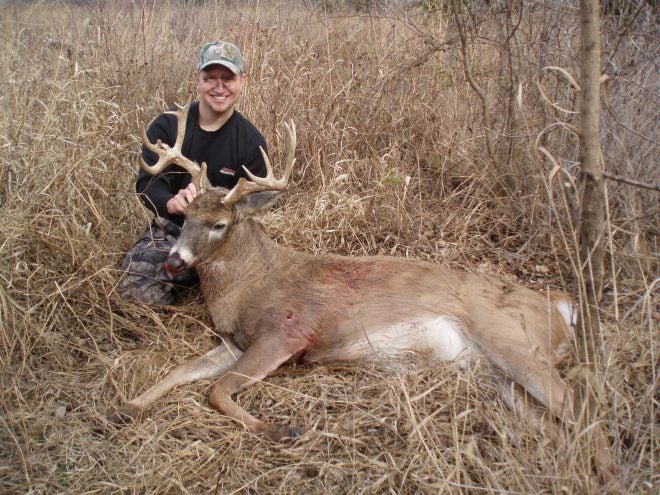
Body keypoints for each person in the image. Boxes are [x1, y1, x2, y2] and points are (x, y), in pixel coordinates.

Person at [120, 40, 268, 306]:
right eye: (210, 78)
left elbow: (250, 207)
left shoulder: (251, 142)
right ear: (196, 79)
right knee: (136, 289)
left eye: (228, 78)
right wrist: (170, 202)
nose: (219, 87)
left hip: (224, 241)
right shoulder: (167, 126)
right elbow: (146, 184)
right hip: (175, 231)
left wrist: (218, 205)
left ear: (242, 81)